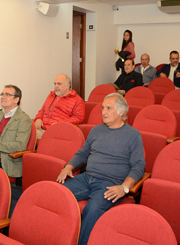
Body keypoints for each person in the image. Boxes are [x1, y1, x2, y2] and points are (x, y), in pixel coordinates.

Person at [56, 93, 145, 245]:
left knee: (93, 209)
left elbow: (138, 166)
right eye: (103, 108)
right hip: (86, 178)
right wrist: (68, 167)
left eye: (108, 108)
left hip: (109, 183)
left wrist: (124, 188)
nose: (103, 112)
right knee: (55, 193)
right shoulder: (96, 130)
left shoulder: (133, 135)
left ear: (121, 112)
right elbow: (83, 153)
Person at [34, 74, 85, 139]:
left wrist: (59, 124)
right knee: (23, 130)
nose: (56, 86)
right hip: (42, 128)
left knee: (26, 136)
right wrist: (38, 118)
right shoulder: (51, 95)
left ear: (67, 86)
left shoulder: (77, 100)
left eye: (59, 84)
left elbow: (79, 118)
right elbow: (42, 110)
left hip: (58, 131)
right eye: (55, 84)